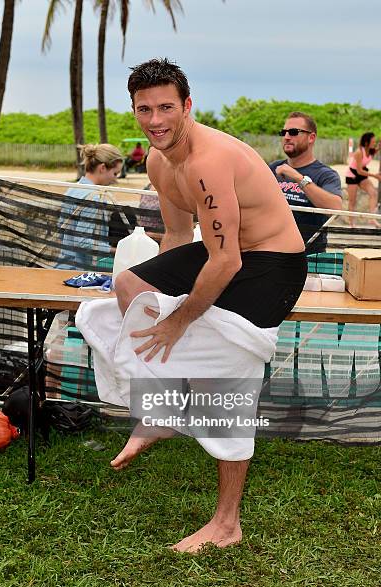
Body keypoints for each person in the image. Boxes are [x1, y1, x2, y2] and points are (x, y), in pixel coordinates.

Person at [111, 58, 307, 553]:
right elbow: (179, 238)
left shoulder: (207, 161)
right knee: (129, 285)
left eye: (166, 108)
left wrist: (178, 321)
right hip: (227, 253)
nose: (155, 121)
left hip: (274, 264)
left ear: (188, 106)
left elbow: (225, 261)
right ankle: (161, 409)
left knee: (228, 374)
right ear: (134, 110)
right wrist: (162, 302)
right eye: (144, 109)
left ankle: (226, 523)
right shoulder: (159, 161)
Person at [269, 112, 343, 254]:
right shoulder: (273, 168)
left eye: (293, 132)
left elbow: (336, 208)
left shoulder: (325, 174)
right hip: (272, 252)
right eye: (283, 132)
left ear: (311, 137)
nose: (286, 137)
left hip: (309, 255)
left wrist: (299, 178)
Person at [55, 143, 123, 270]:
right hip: (79, 271)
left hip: (64, 265)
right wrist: (116, 250)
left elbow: (61, 228)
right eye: (115, 173)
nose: (115, 179)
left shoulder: (73, 189)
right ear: (102, 168)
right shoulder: (93, 197)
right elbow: (82, 242)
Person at [345, 132, 381, 228]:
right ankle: (351, 223)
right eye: (373, 142)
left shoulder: (371, 150)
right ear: (366, 143)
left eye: (375, 141)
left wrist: (379, 145)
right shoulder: (359, 152)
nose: (374, 143)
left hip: (361, 175)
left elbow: (377, 149)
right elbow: (359, 171)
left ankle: (372, 219)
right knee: (352, 201)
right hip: (352, 175)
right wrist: (374, 175)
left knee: (373, 193)